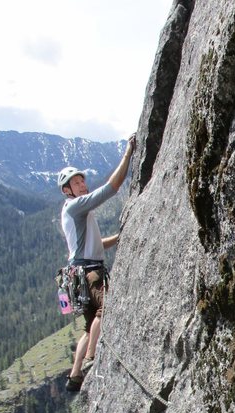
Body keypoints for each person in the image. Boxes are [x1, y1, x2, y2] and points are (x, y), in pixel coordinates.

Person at [58, 134, 136, 391]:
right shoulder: (75, 207)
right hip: (89, 272)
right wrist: (128, 154)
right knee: (106, 308)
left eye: (82, 181)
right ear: (67, 190)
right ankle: (92, 359)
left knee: (88, 325)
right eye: (76, 183)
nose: (82, 185)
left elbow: (96, 244)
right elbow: (110, 189)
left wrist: (120, 236)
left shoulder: (72, 214)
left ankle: (75, 373)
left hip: (78, 272)